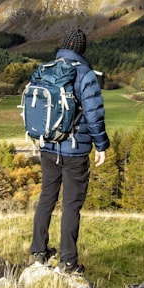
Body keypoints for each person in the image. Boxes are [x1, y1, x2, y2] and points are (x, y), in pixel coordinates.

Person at [30, 28, 109, 274]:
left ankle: (38, 252)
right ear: (82, 49)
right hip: (75, 151)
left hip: (47, 146)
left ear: (62, 44)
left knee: (46, 199)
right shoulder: (85, 74)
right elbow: (94, 113)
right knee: (71, 206)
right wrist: (101, 145)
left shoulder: (45, 69)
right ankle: (67, 261)